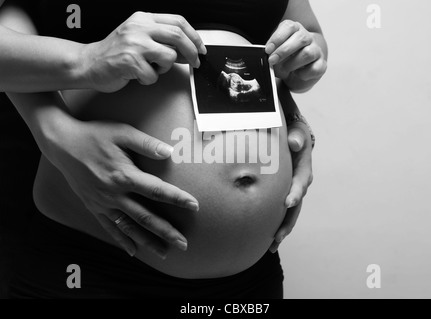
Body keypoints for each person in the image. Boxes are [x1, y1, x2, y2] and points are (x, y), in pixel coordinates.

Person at [0, 0, 327, 298]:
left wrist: (305, 57)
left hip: (252, 277)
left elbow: (307, 36)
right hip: (96, 256)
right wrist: (81, 69)